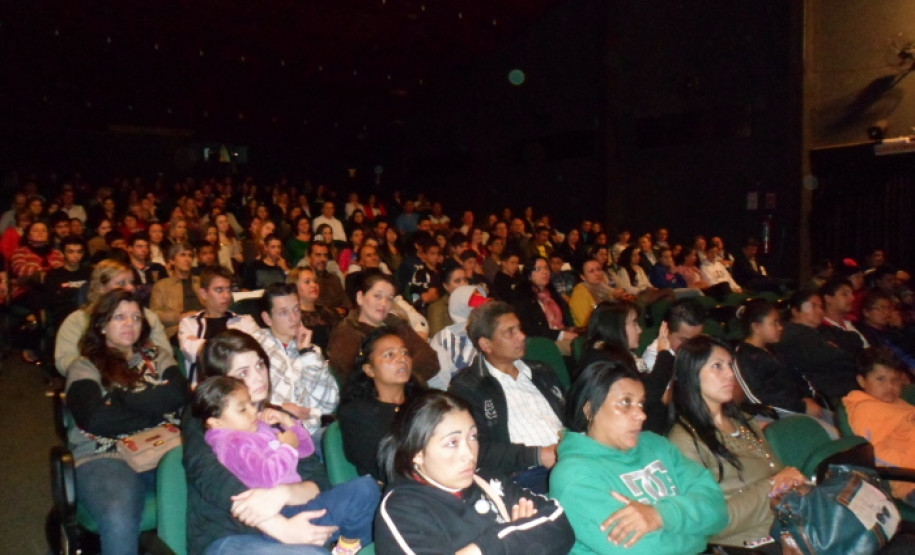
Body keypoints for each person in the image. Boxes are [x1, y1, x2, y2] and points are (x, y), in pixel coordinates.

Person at [185, 330, 378, 554]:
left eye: (260, 365)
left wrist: (283, 494)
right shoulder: (204, 417)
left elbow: (319, 480)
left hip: (296, 514)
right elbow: (212, 479)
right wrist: (281, 527)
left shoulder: (276, 417)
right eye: (243, 373)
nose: (259, 377)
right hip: (231, 534)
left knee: (370, 496)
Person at [550, 357, 728, 554]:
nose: (641, 415)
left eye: (640, 404)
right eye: (625, 403)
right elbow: (644, 550)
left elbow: (718, 510)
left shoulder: (655, 444)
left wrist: (661, 515)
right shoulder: (573, 476)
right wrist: (696, 533)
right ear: (590, 410)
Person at [374, 390, 575, 554]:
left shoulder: (487, 480)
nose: (469, 454)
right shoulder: (402, 508)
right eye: (452, 443)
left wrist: (479, 549)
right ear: (417, 453)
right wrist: (522, 533)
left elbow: (560, 524)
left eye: (473, 437)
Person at [65, 289, 188, 555]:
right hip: (105, 454)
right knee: (119, 514)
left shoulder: (157, 357)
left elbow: (179, 394)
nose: (130, 324)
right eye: (120, 317)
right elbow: (97, 419)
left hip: (165, 445)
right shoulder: (85, 366)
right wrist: (158, 406)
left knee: (219, 489)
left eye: (135, 317)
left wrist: (120, 400)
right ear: (101, 325)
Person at [667, 335, 807, 550]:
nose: (731, 374)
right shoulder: (684, 441)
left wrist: (790, 479)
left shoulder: (744, 421)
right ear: (692, 376)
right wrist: (773, 486)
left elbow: (778, 472)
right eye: (717, 366)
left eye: (730, 365)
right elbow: (711, 523)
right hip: (748, 544)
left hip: (789, 525)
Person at [449, 301, 565, 493]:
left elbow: (570, 417)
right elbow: (477, 449)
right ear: (486, 344)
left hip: (571, 458)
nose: (521, 336)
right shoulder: (468, 387)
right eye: (509, 332)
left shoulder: (542, 372)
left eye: (519, 328)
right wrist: (538, 455)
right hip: (525, 474)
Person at [338, 327, 427, 482]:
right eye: (389, 355)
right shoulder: (356, 414)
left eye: (405, 353)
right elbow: (382, 466)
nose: (402, 359)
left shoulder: (425, 402)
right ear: (369, 369)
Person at [253, 283, 339, 435]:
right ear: (267, 318)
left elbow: (330, 403)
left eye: (296, 309)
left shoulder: (310, 351)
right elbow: (239, 398)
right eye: (283, 312)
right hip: (269, 431)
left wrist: (307, 354)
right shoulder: (253, 348)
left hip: (311, 433)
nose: (294, 318)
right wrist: (280, 408)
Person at [579, 301, 675, 434]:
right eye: (634, 323)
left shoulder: (617, 353)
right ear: (615, 326)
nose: (640, 330)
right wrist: (664, 353)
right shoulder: (604, 359)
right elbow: (648, 394)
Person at [327, 270, 439, 382]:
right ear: (360, 297)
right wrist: (403, 371)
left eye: (389, 298)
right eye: (377, 296)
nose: (384, 303)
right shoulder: (345, 334)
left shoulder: (396, 324)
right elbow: (358, 380)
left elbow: (430, 361)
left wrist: (393, 374)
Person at [734, 300, 831, 422]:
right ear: (756, 327)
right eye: (774, 323)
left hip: (803, 408)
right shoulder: (744, 356)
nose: (780, 327)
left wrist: (808, 398)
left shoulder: (774, 350)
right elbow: (758, 397)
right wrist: (802, 408)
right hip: (781, 417)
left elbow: (798, 376)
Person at [843, 346, 915, 507]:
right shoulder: (866, 410)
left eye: (895, 380)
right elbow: (874, 454)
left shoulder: (895, 402)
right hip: (909, 482)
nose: (890, 386)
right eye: (881, 379)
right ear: (862, 381)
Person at [774, 289, 858, 406]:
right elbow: (828, 359)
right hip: (828, 391)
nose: (820, 311)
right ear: (795, 311)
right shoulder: (792, 334)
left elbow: (855, 340)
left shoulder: (821, 330)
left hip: (845, 383)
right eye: (813, 306)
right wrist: (837, 350)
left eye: (821, 307)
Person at [178, 266, 260, 385]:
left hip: (242, 387)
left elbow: (257, 350)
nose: (226, 295)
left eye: (228, 289)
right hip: (206, 390)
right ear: (203, 293)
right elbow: (192, 353)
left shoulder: (245, 321)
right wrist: (237, 346)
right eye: (219, 290)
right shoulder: (189, 324)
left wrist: (203, 345)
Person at [513, 256, 579, 355]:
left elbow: (566, 317)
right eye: (538, 269)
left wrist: (571, 328)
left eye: (546, 268)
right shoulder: (522, 296)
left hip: (563, 334)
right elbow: (528, 328)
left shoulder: (552, 293)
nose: (544, 272)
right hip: (543, 341)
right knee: (578, 348)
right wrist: (560, 334)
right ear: (529, 275)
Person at [150, 242, 203, 338]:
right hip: (177, 329)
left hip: (203, 323)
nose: (187, 259)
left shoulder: (201, 282)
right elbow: (154, 314)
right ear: (172, 260)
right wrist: (179, 316)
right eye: (182, 255)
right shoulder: (162, 286)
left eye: (190, 256)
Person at [289, 266, 340, 353]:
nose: (313, 285)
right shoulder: (292, 317)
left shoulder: (329, 312)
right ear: (294, 287)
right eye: (307, 282)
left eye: (315, 281)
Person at [569, 258, 628, 328]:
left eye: (599, 269)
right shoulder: (580, 294)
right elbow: (586, 323)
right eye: (591, 271)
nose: (597, 274)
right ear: (583, 277)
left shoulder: (601, 287)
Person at [307, 241, 352, 318]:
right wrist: (333, 311)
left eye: (325, 255)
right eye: (318, 255)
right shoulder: (303, 280)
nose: (323, 259)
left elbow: (347, 305)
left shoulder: (334, 279)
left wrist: (343, 310)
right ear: (309, 257)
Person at [426, 264, 468, 337]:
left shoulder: (472, 304)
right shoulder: (437, 308)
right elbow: (437, 340)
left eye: (465, 280)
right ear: (446, 286)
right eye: (458, 281)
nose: (464, 284)